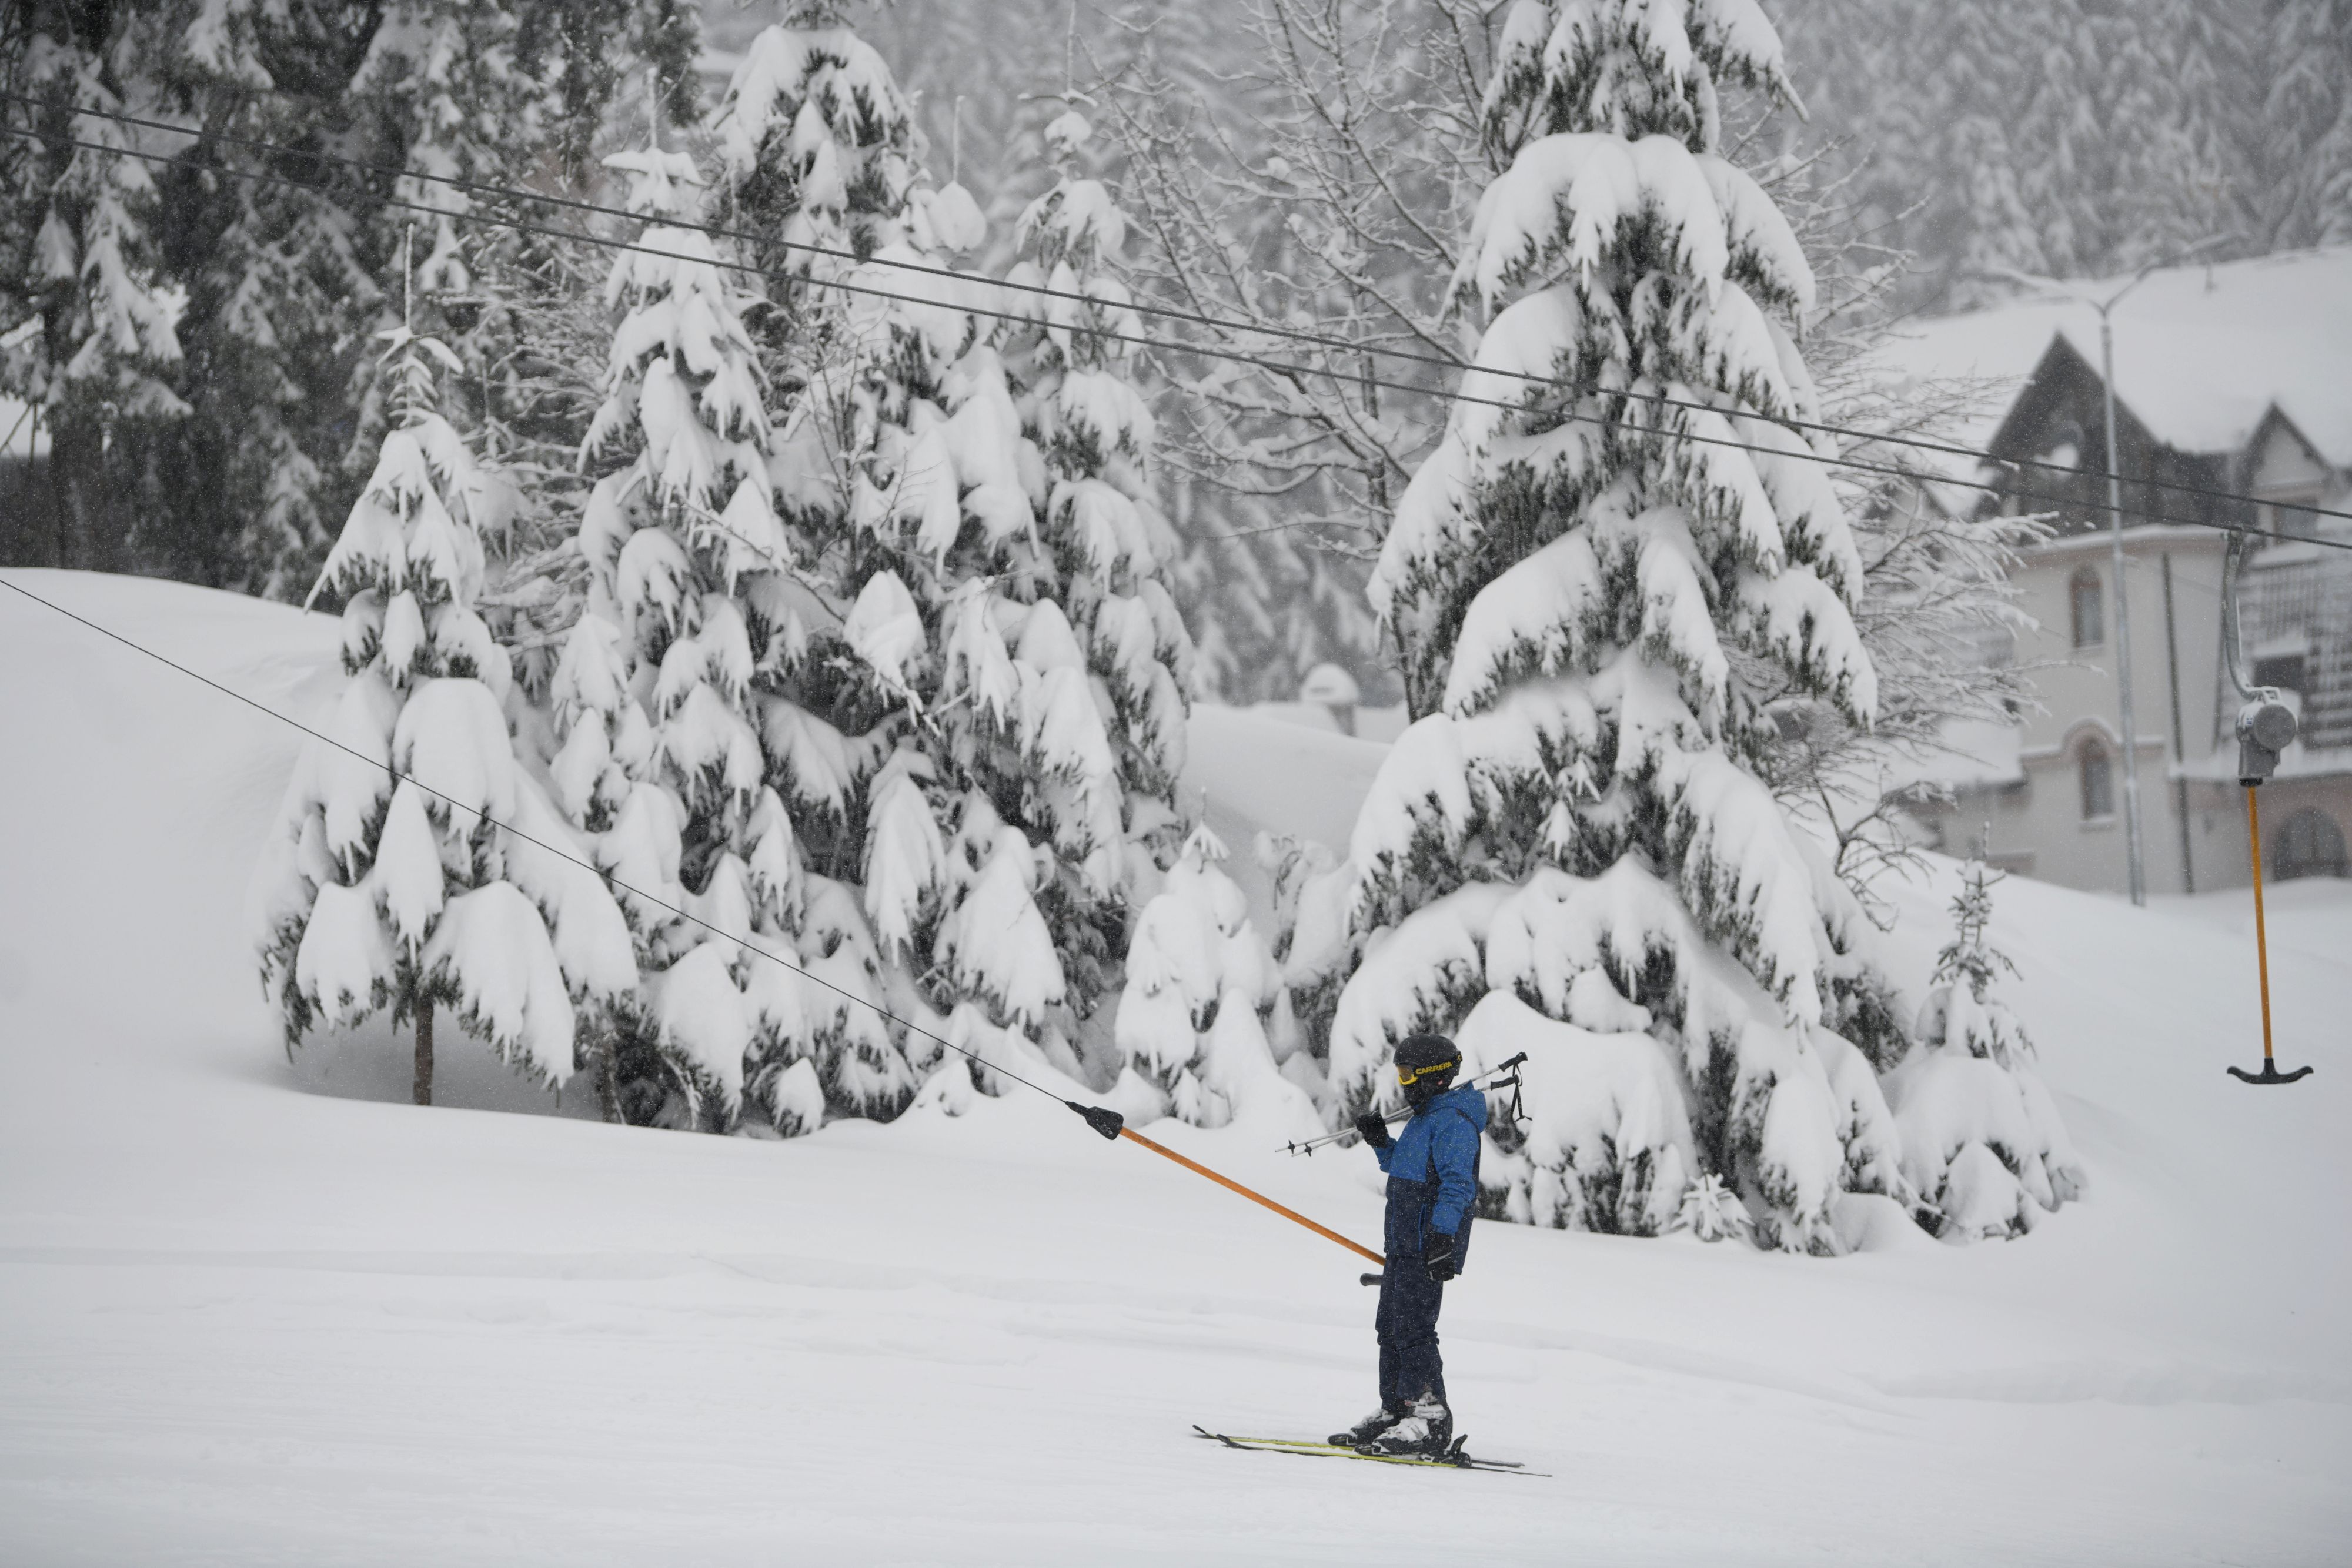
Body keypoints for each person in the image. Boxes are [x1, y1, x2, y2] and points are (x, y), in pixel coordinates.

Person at [1329, 1032, 1485, 1457]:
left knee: (1415, 1330)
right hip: (1402, 1242)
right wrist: (1381, 1141)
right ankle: (1397, 1408)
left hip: (1427, 1246)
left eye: (1408, 1073)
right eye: (1400, 1073)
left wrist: (1442, 1237)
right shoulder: (1424, 1119)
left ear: (1434, 1078)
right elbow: (1404, 1170)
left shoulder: (1453, 1121)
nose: (1403, 1082)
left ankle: (1430, 1418)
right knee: (1391, 1329)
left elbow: (1458, 1186)